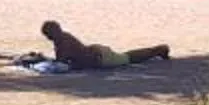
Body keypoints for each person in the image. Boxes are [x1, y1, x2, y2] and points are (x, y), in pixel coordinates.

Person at [41, 20, 169, 70]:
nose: (48, 38)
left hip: (100, 57)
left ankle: (159, 50)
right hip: (96, 53)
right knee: (127, 56)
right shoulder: (63, 38)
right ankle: (157, 50)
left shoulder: (63, 40)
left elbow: (61, 62)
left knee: (129, 58)